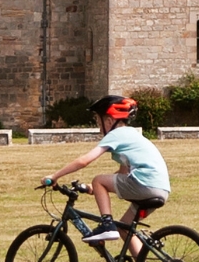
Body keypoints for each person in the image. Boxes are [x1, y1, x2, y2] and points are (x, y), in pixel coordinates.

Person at [41, 95, 171, 250]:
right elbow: (123, 173)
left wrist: (54, 176)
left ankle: (107, 225)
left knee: (98, 180)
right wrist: (93, 188)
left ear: (109, 121)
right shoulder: (132, 135)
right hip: (160, 189)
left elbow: (85, 161)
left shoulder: (116, 134)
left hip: (144, 183)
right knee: (125, 227)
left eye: (98, 121)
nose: (99, 128)